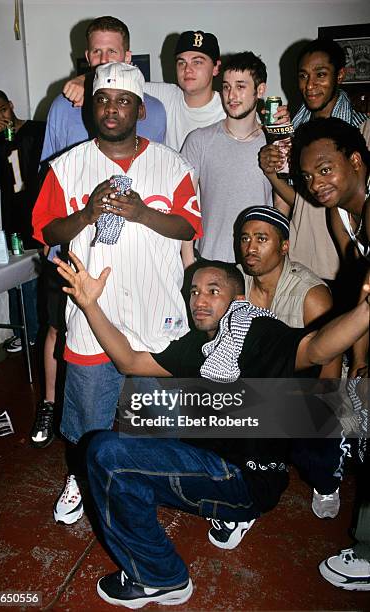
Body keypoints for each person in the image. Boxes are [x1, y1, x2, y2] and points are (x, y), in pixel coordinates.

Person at [53, 251, 370, 609]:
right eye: (193, 291)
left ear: (237, 299)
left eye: (212, 291)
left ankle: (159, 578)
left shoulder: (256, 331)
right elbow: (129, 361)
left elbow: (314, 350)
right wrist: (91, 305)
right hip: (214, 457)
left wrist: (366, 310)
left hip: (244, 479)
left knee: (105, 453)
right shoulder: (202, 345)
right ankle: (200, 513)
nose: (199, 300)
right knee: (144, 409)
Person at [32, 62, 202, 525]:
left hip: (155, 306)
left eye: (123, 100)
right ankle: (82, 477)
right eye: (103, 100)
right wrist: (86, 214)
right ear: (91, 107)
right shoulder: (67, 166)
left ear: (140, 109)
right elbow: (46, 229)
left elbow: (189, 224)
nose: (112, 109)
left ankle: (152, 480)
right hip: (92, 309)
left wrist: (143, 213)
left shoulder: (172, 164)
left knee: (156, 414)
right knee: (89, 410)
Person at [30, 15, 167, 449]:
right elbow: (50, 175)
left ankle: (133, 446)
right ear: (86, 57)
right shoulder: (62, 105)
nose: (104, 59)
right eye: (96, 52)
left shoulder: (155, 108)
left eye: (112, 52)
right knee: (65, 330)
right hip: (77, 248)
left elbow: (158, 175)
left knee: (135, 343)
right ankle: (55, 407)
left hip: (138, 253)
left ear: (127, 56)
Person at [293, 116, 370, 591]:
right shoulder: (340, 214)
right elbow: (359, 287)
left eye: (324, 169)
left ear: (356, 160)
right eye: (307, 177)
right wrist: (359, 363)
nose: (316, 184)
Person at [235, 205, 344, 519]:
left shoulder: (312, 294)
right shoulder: (235, 280)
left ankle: (326, 482)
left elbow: (329, 370)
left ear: (284, 246)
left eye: (261, 238)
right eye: (244, 238)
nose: (250, 247)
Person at [259, 37, 370, 283]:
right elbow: (304, 203)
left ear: (339, 76)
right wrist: (271, 171)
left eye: (320, 74)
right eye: (303, 76)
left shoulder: (364, 129)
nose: (310, 85)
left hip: (347, 265)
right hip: (304, 263)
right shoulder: (293, 133)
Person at [63, 28, 225, 152]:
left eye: (197, 62)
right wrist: (84, 79)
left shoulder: (227, 109)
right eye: (181, 62)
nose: (187, 69)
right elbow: (117, 83)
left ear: (216, 68)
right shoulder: (166, 95)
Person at [181, 52, 273, 264]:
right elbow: (183, 204)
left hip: (258, 264)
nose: (231, 95)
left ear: (259, 90)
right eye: (226, 87)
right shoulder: (199, 140)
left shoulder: (273, 143)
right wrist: (189, 265)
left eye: (240, 87)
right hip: (209, 259)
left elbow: (281, 205)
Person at [0, 90, 45, 352]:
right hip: (14, 222)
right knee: (16, 281)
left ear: (11, 105)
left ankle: (37, 333)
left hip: (41, 218)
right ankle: (24, 332)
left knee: (39, 280)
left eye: (3, 110)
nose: (0, 116)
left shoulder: (37, 130)